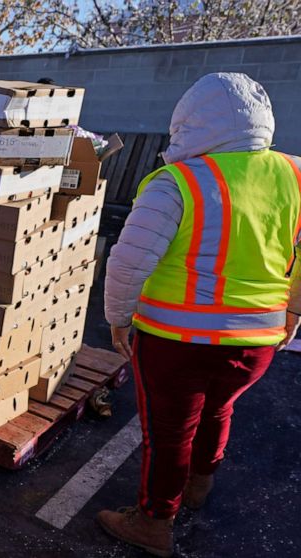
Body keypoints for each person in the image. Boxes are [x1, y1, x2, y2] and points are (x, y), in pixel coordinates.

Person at [100, 72, 301, 557]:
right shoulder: (294, 173)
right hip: (257, 342)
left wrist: (118, 318)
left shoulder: (179, 181)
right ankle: (199, 486)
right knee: (219, 409)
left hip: (175, 341)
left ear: (189, 123)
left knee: (169, 432)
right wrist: (294, 310)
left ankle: (153, 522)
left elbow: (129, 259)